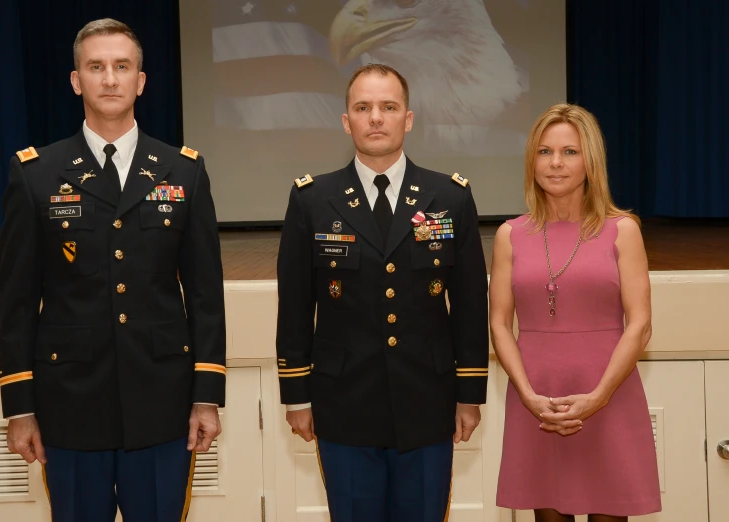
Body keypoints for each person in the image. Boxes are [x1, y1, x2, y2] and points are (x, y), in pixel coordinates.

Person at [0, 18, 226, 522]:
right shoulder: (36, 174)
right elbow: (15, 302)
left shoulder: (183, 170)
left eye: (122, 67)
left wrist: (206, 397)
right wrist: (20, 407)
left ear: (141, 81)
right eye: (95, 67)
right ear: (76, 80)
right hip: (70, 408)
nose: (110, 79)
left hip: (163, 406)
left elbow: (206, 295)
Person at [275, 63, 489, 522]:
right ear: (346, 120)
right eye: (363, 107)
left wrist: (469, 393)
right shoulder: (312, 200)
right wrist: (297, 396)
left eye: (388, 107)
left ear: (407, 119)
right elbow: (294, 307)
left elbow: (470, 305)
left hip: (428, 401)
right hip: (343, 403)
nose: (376, 118)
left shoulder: (449, 198)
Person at [490, 103, 662, 522]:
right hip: (538, 400)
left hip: (609, 395)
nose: (555, 163)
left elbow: (640, 325)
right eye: (545, 151)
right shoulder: (509, 234)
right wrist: (530, 396)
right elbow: (498, 324)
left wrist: (599, 396)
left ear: (591, 160)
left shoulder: (623, 229)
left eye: (570, 152)